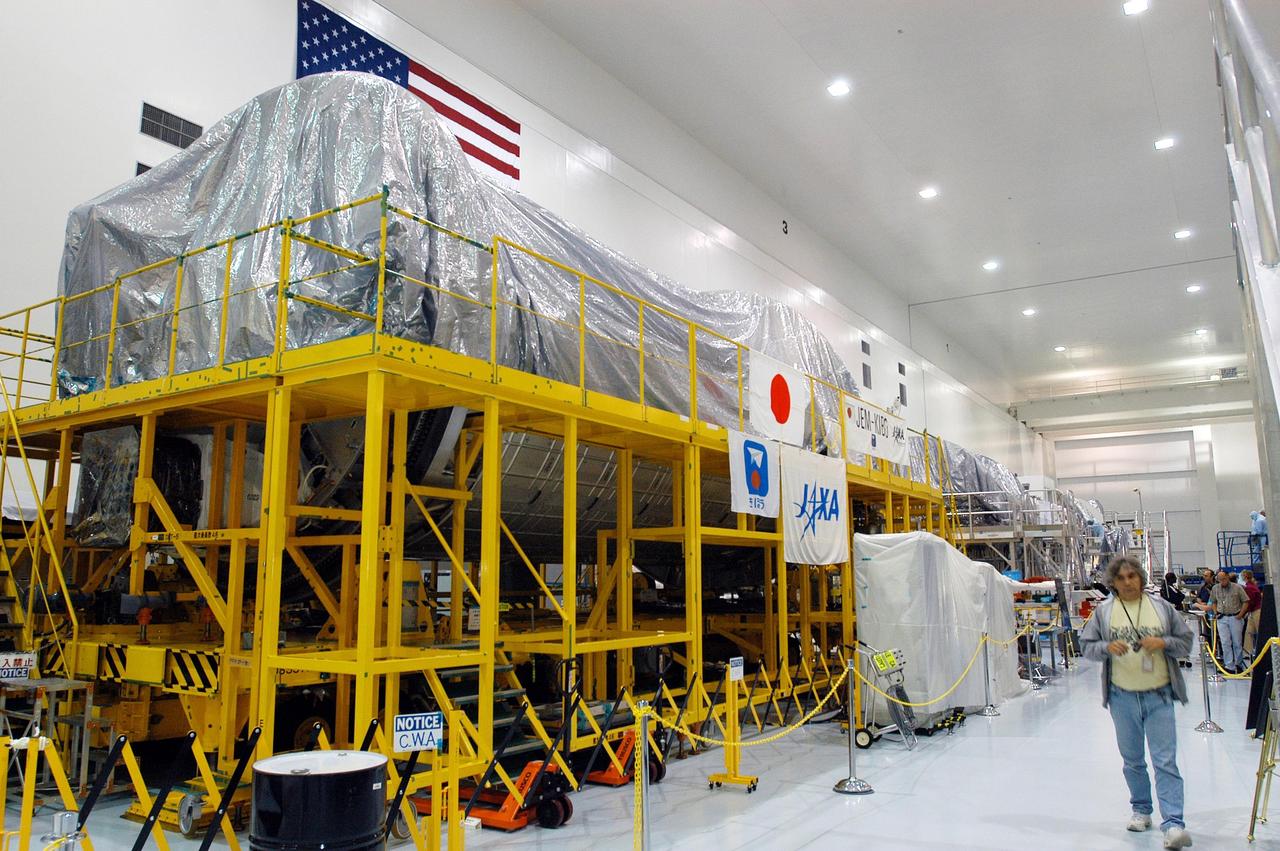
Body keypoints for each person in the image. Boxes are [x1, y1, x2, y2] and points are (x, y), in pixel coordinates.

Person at [1080, 555, 1194, 849]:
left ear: (1141, 578)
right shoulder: (1104, 613)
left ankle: (1174, 824)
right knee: (1132, 760)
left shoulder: (1162, 609)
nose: (1128, 582)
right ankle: (1141, 809)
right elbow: (1086, 647)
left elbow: (1185, 642)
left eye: (1132, 576)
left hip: (1159, 695)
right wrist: (1106, 647)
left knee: (1165, 761)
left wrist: (1164, 643)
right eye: (1121, 578)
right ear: (1113, 583)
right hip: (1122, 697)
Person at [1207, 570, 1250, 673]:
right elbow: (1213, 601)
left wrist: (1241, 615)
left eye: (1224, 579)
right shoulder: (1215, 588)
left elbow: (1246, 601)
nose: (1222, 582)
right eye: (1220, 580)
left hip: (1235, 617)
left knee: (1237, 642)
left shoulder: (1237, 587)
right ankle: (1229, 665)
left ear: (1228, 577)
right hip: (1222, 618)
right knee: (1225, 642)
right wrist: (1215, 611)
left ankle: (1238, 664)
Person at [1242, 569, 1263, 659]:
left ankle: (1261, 651)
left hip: (1256, 611)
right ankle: (1247, 651)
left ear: (1245, 576)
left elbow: (1250, 602)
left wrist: (1243, 613)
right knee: (1249, 632)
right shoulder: (1252, 586)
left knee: (1258, 631)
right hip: (1253, 611)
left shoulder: (1249, 588)